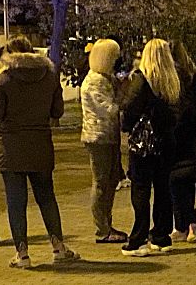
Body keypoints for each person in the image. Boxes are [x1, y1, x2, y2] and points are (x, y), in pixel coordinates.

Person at [0, 36, 78, 268]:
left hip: (10, 148)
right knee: (46, 197)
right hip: (40, 144)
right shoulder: (49, 77)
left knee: (16, 201)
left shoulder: (3, 80)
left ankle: (23, 254)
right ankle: (58, 247)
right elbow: (57, 110)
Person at [120, 39, 181, 256]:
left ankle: (139, 239)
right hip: (166, 142)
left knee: (141, 189)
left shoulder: (141, 79)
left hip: (144, 144)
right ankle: (162, 235)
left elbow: (130, 110)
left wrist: (125, 126)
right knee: (163, 189)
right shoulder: (172, 80)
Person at [80, 39, 128, 244]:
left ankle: (107, 224)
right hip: (98, 137)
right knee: (101, 183)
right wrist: (125, 99)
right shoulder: (95, 82)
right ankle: (102, 229)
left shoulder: (105, 78)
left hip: (108, 135)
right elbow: (109, 109)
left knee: (111, 181)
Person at [168, 40, 196, 243]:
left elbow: (181, 106)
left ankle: (191, 220)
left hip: (180, 132)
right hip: (188, 131)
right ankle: (182, 224)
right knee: (184, 180)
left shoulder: (180, 75)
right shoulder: (191, 73)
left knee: (176, 179)